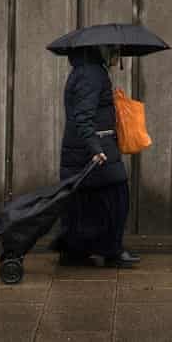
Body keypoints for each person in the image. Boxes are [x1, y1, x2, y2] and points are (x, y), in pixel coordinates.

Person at [52, 45, 138, 268]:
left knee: (84, 202)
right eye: (115, 52)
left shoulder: (88, 71)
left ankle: (75, 251)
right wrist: (95, 148)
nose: (118, 57)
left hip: (86, 148)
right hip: (94, 148)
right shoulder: (91, 74)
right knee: (116, 198)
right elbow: (83, 116)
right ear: (104, 52)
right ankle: (112, 251)